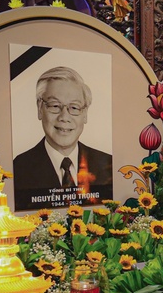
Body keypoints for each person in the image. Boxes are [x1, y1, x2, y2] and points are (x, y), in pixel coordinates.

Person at [13, 66, 112, 210]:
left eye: (74, 107)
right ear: (40, 108)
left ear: (85, 114)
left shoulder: (107, 165)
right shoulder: (18, 169)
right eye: (55, 106)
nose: (64, 117)